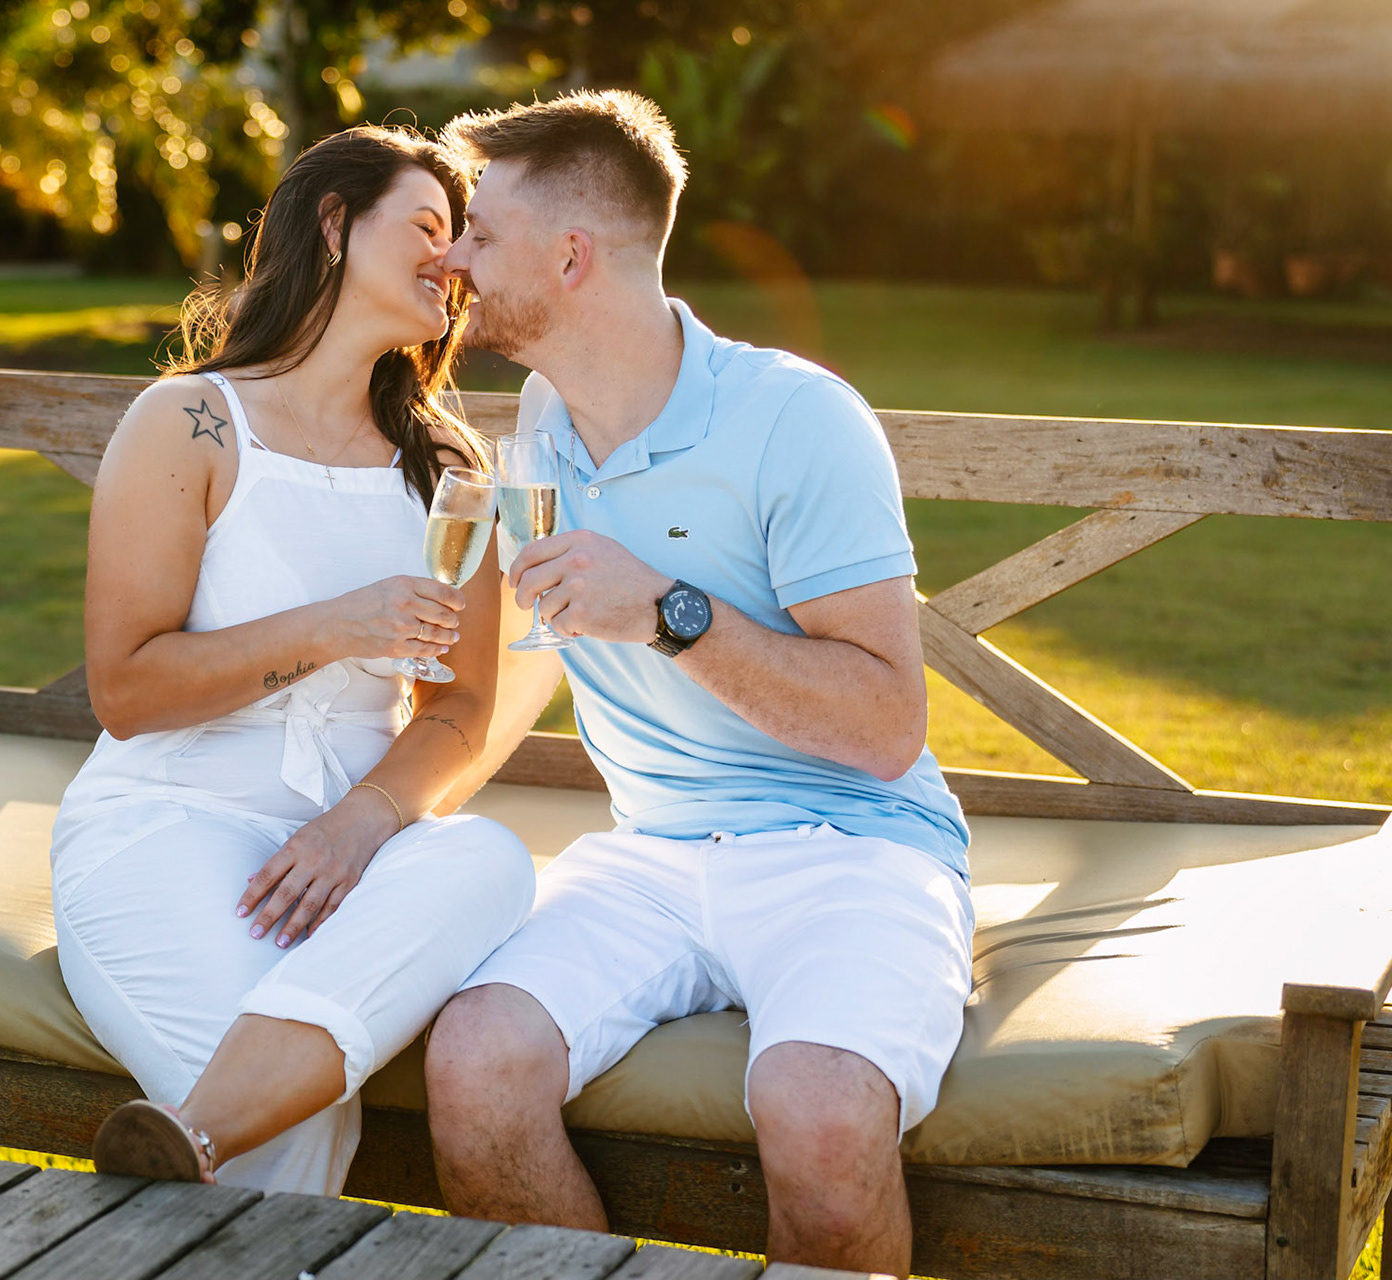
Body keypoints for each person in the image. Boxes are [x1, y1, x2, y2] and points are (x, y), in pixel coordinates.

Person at [423, 91, 974, 1277]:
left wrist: (672, 614)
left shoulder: (800, 419)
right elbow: (523, 644)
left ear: (571, 257)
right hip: (651, 853)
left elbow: (887, 726)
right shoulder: (543, 415)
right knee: (473, 1065)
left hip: (853, 845)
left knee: (820, 1114)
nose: (454, 257)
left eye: (481, 232)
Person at [51, 125, 535, 1197]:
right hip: (169, 826)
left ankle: (192, 1136)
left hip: (357, 849)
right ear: (333, 224)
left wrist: (359, 826)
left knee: (491, 859)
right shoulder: (190, 422)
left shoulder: (448, 464)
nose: (452, 260)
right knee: (297, 1126)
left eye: (460, 241)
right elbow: (126, 690)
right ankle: (216, 1137)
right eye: (427, 226)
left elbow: (461, 708)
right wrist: (333, 627)